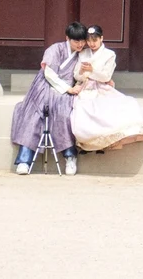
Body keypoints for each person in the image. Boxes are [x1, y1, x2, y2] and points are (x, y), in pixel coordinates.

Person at [10, 22, 86, 176]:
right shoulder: (54, 49)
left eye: (82, 41)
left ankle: (70, 157)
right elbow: (49, 73)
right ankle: (24, 160)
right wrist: (67, 88)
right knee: (33, 114)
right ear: (67, 38)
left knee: (64, 114)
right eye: (76, 41)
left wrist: (74, 87)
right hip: (45, 85)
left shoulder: (82, 55)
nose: (80, 44)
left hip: (65, 92)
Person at [70, 25, 143, 152]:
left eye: (94, 40)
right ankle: (93, 143)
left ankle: (111, 140)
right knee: (84, 109)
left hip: (102, 87)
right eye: (89, 40)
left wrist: (92, 71)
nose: (91, 44)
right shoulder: (83, 53)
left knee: (124, 105)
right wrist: (81, 71)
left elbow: (106, 76)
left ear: (101, 38)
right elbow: (76, 75)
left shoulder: (109, 55)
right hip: (85, 88)